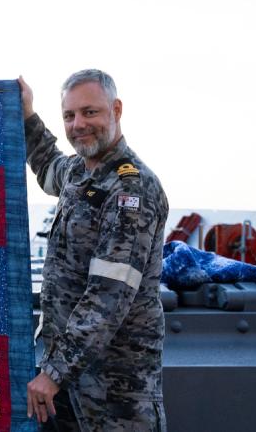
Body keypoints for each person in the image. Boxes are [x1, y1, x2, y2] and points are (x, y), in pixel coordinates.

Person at [19, 70, 169, 431]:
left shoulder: (131, 189)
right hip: (71, 381)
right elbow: (46, 164)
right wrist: (26, 114)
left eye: (90, 112)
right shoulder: (79, 173)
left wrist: (52, 374)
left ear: (116, 110)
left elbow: (108, 298)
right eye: (69, 116)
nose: (78, 125)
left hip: (116, 394)